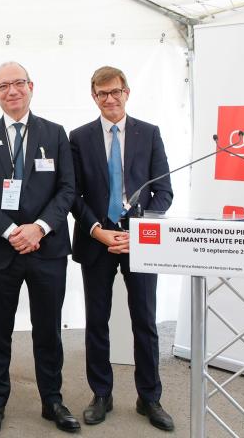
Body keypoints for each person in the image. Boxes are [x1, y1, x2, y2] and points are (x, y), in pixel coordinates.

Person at [0, 62, 79, 435]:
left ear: (31, 86)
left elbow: (67, 188)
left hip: (47, 249)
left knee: (48, 330)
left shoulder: (55, 133)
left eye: (18, 83)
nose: (12, 91)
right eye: (3, 86)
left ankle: (52, 401)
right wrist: (12, 230)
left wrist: (39, 228)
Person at [69, 66, 174, 431]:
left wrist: (137, 231)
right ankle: (101, 394)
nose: (110, 99)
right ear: (94, 97)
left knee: (144, 320)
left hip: (139, 242)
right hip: (96, 240)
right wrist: (98, 231)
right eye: (102, 94)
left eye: (115, 92)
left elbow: (164, 192)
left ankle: (150, 397)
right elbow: (73, 194)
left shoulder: (150, 133)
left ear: (127, 92)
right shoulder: (79, 137)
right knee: (97, 321)